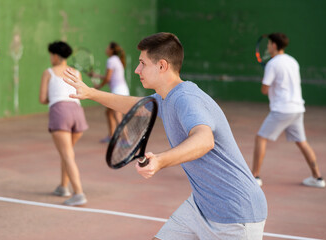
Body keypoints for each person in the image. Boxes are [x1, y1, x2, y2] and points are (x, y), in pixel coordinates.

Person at [63, 32, 267, 239]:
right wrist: (91, 93)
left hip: (236, 211)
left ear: (162, 66)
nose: (136, 69)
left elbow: (205, 140)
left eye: (142, 63)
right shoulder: (165, 97)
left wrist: (160, 160)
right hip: (202, 204)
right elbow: (134, 105)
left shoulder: (185, 98)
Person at [251, 33, 326, 188]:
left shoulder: (272, 64)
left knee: (260, 138)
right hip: (298, 109)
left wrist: (267, 83)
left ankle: (255, 177)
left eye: (269, 44)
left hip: (282, 110)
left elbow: (264, 90)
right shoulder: (293, 61)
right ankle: (318, 178)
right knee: (302, 142)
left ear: (273, 45)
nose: (267, 47)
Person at [39, 41, 88, 206]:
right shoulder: (76, 72)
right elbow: (79, 93)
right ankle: (63, 187)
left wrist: (53, 98)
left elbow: (42, 99)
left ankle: (79, 193)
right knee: (68, 153)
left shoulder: (48, 72)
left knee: (67, 155)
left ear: (54, 55)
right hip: (77, 113)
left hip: (60, 113)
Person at [89, 42, 130, 143]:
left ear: (111, 50)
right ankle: (111, 136)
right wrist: (96, 76)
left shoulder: (111, 60)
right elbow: (110, 77)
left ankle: (127, 140)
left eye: (107, 47)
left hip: (118, 92)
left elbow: (108, 79)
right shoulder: (116, 60)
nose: (106, 49)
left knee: (117, 116)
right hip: (122, 90)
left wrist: (99, 86)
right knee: (109, 113)